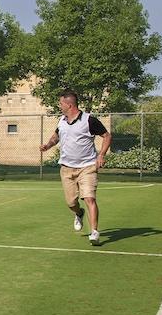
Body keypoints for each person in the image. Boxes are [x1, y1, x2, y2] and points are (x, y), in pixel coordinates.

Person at [40, 89, 112, 245]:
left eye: (61, 103)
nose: (59, 106)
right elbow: (56, 136)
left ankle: (94, 232)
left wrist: (101, 155)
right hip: (66, 168)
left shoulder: (89, 120)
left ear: (69, 104)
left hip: (87, 167)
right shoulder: (62, 120)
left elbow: (106, 136)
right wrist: (48, 145)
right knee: (71, 203)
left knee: (89, 198)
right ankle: (79, 214)